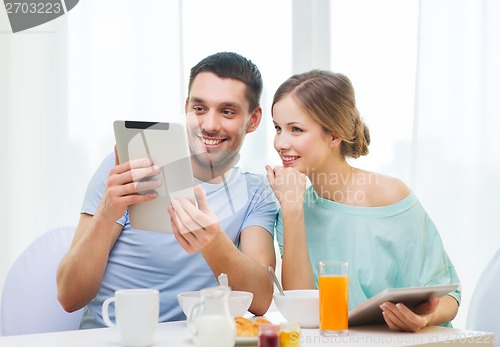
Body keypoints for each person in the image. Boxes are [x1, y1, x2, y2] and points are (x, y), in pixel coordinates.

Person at [57, 52, 278, 328]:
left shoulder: (256, 192)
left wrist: (211, 240)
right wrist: (106, 212)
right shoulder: (129, 167)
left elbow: (261, 299)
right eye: (199, 108)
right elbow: (69, 297)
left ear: (253, 119)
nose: (209, 125)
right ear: (186, 108)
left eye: (227, 111)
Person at [265, 70, 461, 332]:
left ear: (334, 135)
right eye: (278, 128)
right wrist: (292, 210)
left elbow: (449, 296)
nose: (280, 142)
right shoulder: (292, 207)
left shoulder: (390, 196)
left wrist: (422, 318)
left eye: (296, 130)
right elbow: (304, 311)